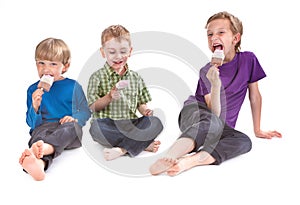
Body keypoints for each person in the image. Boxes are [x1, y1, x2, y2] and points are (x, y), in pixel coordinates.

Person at [149, 11, 282, 176]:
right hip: (196, 114)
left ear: (235, 38)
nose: (213, 37)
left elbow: (254, 96)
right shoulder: (207, 71)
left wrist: (257, 129)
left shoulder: (249, 60)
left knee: (244, 141)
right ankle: (169, 156)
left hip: (220, 127)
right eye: (209, 34)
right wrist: (215, 86)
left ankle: (190, 161)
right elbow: (214, 113)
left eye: (221, 32)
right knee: (210, 122)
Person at [19, 38, 91, 181]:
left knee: (71, 128)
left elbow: (86, 112)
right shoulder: (33, 90)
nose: (46, 69)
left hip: (68, 127)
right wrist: (35, 106)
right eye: (41, 63)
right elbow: (32, 124)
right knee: (38, 136)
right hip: (43, 128)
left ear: (65, 66)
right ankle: (39, 164)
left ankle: (44, 149)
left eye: (53, 64)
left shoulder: (73, 86)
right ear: (36, 64)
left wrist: (75, 118)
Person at [87, 25, 163, 161]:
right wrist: (109, 97)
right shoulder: (97, 77)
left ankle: (122, 149)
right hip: (108, 125)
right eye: (112, 52)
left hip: (132, 124)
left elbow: (141, 103)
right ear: (103, 52)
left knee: (156, 122)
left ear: (130, 51)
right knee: (95, 129)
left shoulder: (136, 78)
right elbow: (92, 107)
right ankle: (140, 143)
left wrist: (145, 111)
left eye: (123, 51)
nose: (118, 57)